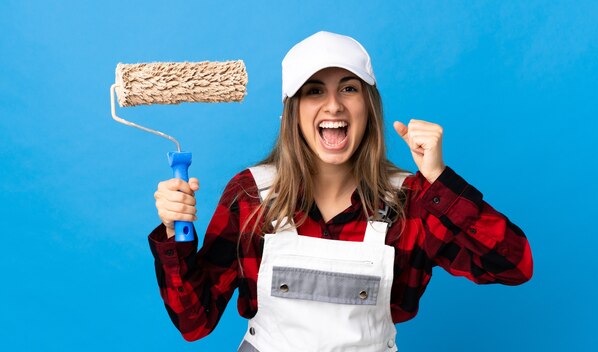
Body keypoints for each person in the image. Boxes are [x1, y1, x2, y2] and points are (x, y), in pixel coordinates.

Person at [149, 31, 533, 351]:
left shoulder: (410, 203)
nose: (333, 105)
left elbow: (514, 267)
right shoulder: (252, 195)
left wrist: (438, 179)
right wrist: (173, 232)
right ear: (293, 112)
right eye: (315, 91)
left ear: (369, 106)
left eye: (348, 88)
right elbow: (193, 322)